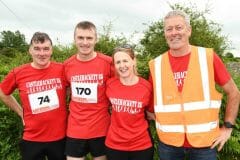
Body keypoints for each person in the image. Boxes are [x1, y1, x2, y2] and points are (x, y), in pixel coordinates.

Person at [148, 10, 240, 160]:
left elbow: (234, 92)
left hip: (205, 145)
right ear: (164, 33)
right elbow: (150, 104)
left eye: (179, 27)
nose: (173, 33)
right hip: (168, 144)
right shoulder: (155, 65)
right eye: (169, 29)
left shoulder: (208, 57)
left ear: (189, 30)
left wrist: (227, 128)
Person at [0, 32, 67, 160]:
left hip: (60, 137)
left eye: (46, 49)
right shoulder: (18, 72)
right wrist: (20, 112)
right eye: (37, 49)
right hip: (32, 138)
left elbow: (71, 87)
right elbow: (2, 92)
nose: (42, 53)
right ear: (30, 50)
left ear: (51, 50)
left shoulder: (62, 69)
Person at [64, 21, 113, 160]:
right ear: (74, 39)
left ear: (96, 39)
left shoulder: (108, 63)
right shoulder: (67, 65)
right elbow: (65, 92)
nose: (85, 42)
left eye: (89, 38)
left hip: (102, 129)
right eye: (80, 38)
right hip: (75, 129)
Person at [105, 45, 154, 160]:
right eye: (118, 62)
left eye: (125, 61)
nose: (122, 66)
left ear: (133, 61)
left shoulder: (146, 86)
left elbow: (151, 113)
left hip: (141, 145)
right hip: (114, 145)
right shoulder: (110, 84)